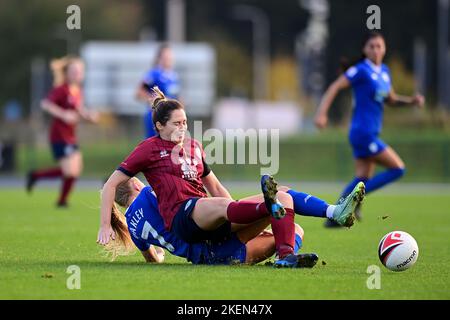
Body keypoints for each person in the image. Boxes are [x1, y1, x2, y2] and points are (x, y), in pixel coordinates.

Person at [98, 87, 365, 268]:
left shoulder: (192, 147)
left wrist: (242, 215)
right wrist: (104, 225)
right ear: (159, 126)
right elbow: (112, 184)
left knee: (284, 199)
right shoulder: (148, 153)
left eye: (185, 122)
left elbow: (213, 185)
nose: (183, 127)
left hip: (212, 234)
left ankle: (326, 219)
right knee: (224, 206)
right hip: (187, 217)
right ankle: (268, 209)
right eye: (177, 123)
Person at [314, 31, 424, 226]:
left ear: (384, 48)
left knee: (362, 178)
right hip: (362, 132)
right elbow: (335, 87)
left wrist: (411, 101)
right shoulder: (361, 70)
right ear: (364, 50)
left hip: (370, 132)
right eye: (371, 46)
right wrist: (322, 113)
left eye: (379, 46)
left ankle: (334, 218)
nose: (375, 50)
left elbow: (390, 99)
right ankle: (353, 201)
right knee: (398, 168)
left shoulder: (384, 71)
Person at [102, 176, 315, 267]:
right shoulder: (148, 193)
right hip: (214, 238)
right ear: (137, 184)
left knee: (280, 212)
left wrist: (160, 253)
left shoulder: (131, 225)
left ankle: (284, 257)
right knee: (284, 207)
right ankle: (287, 252)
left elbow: (152, 259)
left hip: (209, 257)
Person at [26, 56, 98, 207]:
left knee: (74, 171)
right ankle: (62, 201)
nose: (77, 74)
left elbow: (78, 111)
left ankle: (36, 176)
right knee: (70, 172)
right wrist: (63, 114)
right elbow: (45, 104)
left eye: (79, 71)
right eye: (74, 71)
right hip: (59, 135)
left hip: (70, 136)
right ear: (67, 73)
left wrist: (88, 116)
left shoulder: (77, 91)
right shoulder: (61, 89)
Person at [135, 44, 180, 138]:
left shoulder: (174, 76)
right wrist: (157, 101)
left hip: (170, 118)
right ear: (159, 58)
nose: (169, 59)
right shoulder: (154, 74)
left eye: (170, 56)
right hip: (156, 116)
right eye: (166, 57)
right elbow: (139, 92)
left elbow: (175, 96)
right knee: (153, 144)